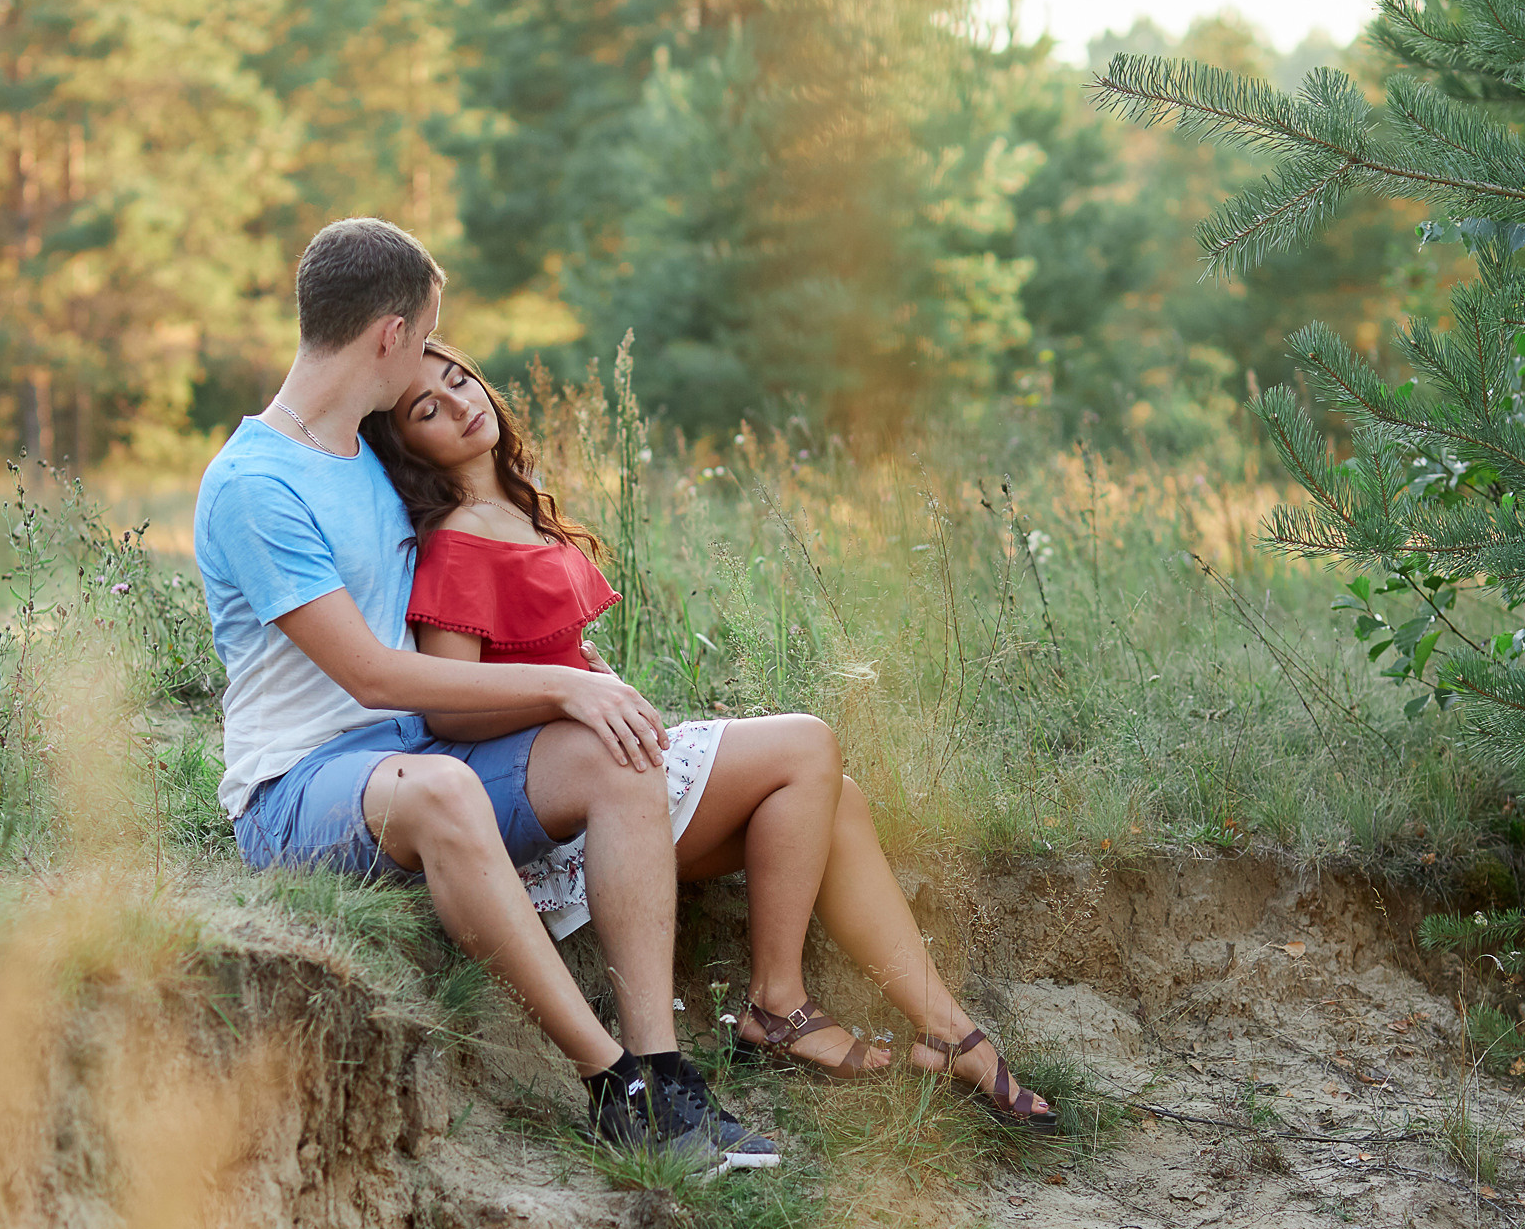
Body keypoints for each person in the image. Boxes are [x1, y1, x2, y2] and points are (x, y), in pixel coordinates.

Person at [358, 338, 1059, 1132]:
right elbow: (449, 711)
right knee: (806, 744)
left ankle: (949, 1031)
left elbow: (545, 649)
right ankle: (777, 1003)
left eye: (460, 380)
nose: (460, 403)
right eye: (429, 409)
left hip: (606, 778)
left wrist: (591, 681)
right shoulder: (458, 538)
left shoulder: (514, 507)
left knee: (837, 800)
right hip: (561, 814)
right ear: (407, 447)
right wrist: (575, 697)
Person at [194, 218, 778, 1166]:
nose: (434, 356)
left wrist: (582, 681)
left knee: (621, 754)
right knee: (446, 789)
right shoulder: (254, 485)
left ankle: (664, 1071)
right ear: (390, 335)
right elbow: (369, 673)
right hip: (298, 789)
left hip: (418, 751)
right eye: (426, 335)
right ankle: (613, 1086)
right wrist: (559, 685)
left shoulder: (371, 457)